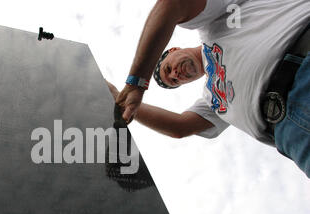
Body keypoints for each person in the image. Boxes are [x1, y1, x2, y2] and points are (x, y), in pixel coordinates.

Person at [108, 0, 310, 177]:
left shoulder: (214, 20)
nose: (174, 75)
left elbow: (173, 4)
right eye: (174, 81)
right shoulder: (212, 99)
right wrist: (120, 99)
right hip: (293, 136)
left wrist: (136, 83)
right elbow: (179, 127)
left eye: (168, 68)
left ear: (174, 49)